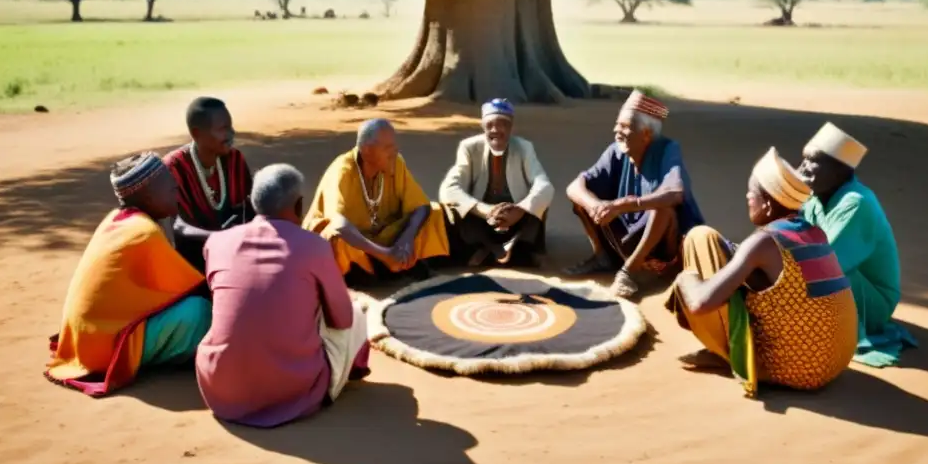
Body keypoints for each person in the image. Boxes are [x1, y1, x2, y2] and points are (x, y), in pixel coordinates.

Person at [663, 147, 858, 397]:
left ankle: (734, 357)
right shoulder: (812, 232)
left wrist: (685, 278)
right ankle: (730, 350)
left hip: (799, 370)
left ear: (766, 204)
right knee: (704, 237)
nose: (747, 196)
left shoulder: (763, 242)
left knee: (696, 261)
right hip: (835, 362)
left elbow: (700, 303)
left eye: (751, 192)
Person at [197, 164, 370, 427]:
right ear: (300, 206)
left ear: (253, 203)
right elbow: (342, 320)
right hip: (293, 392)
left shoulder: (217, 242)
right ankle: (351, 372)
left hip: (221, 386)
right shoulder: (314, 246)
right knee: (356, 313)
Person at [46, 152, 211, 396]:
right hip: (107, 350)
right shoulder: (144, 232)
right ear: (148, 196)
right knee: (200, 312)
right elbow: (187, 287)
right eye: (169, 187)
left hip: (86, 341)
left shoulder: (116, 220)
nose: (176, 188)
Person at [564, 90, 704, 297]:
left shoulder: (667, 149)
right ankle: (603, 257)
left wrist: (625, 204)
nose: (616, 130)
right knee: (583, 198)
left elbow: (675, 193)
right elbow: (574, 186)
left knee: (662, 205)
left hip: (665, 248)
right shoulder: (616, 152)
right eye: (617, 124)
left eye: (624, 126)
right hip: (629, 237)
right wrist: (595, 206)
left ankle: (628, 272)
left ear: (646, 134)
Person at [799, 122, 914, 366]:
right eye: (803, 159)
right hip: (843, 283)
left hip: (873, 303)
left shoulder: (856, 202)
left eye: (813, 161)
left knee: (821, 268)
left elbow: (826, 263)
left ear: (840, 171)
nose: (803, 168)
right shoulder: (815, 198)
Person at [302, 118, 450, 281]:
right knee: (336, 238)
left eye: (394, 146)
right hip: (353, 241)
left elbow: (421, 206)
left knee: (433, 213)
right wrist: (385, 255)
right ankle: (370, 273)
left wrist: (406, 240)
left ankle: (397, 265)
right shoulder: (343, 170)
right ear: (367, 151)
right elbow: (339, 225)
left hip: (381, 235)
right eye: (387, 148)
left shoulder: (395, 161)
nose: (394, 151)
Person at [439, 99, 554, 266]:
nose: (496, 130)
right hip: (482, 215)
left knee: (539, 202)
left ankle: (498, 249)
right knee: (455, 207)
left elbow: (544, 184)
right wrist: (486, 211)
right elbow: (449, 188)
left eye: (503, 124)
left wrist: (520, 209)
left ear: (511, 127)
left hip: (514, 214)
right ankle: (498, 249)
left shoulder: (524, 148)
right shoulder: (469, 147)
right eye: (490, 125)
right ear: (483, 126)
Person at [164, 96, 254, 276]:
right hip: (191, 268)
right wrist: (216, 238)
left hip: (235, 260)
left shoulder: (235, 160)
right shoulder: (173, 168)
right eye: (223, 129)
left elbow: (250, 210)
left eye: (230, 127)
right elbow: (176, 227)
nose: (231, 134)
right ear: (197, 134)